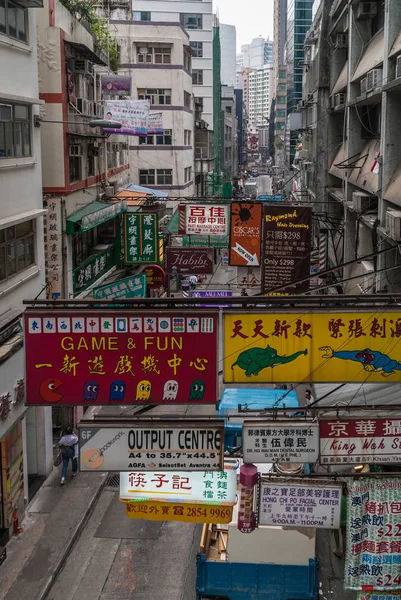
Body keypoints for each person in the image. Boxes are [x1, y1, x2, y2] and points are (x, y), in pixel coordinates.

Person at [333, 484, 347, 558]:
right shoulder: (348, 498)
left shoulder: (337, 498)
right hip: (345, 521)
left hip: (336, 519)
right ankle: (344, 553)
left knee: (336, 532)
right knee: (344, 536)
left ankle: (337, 548)